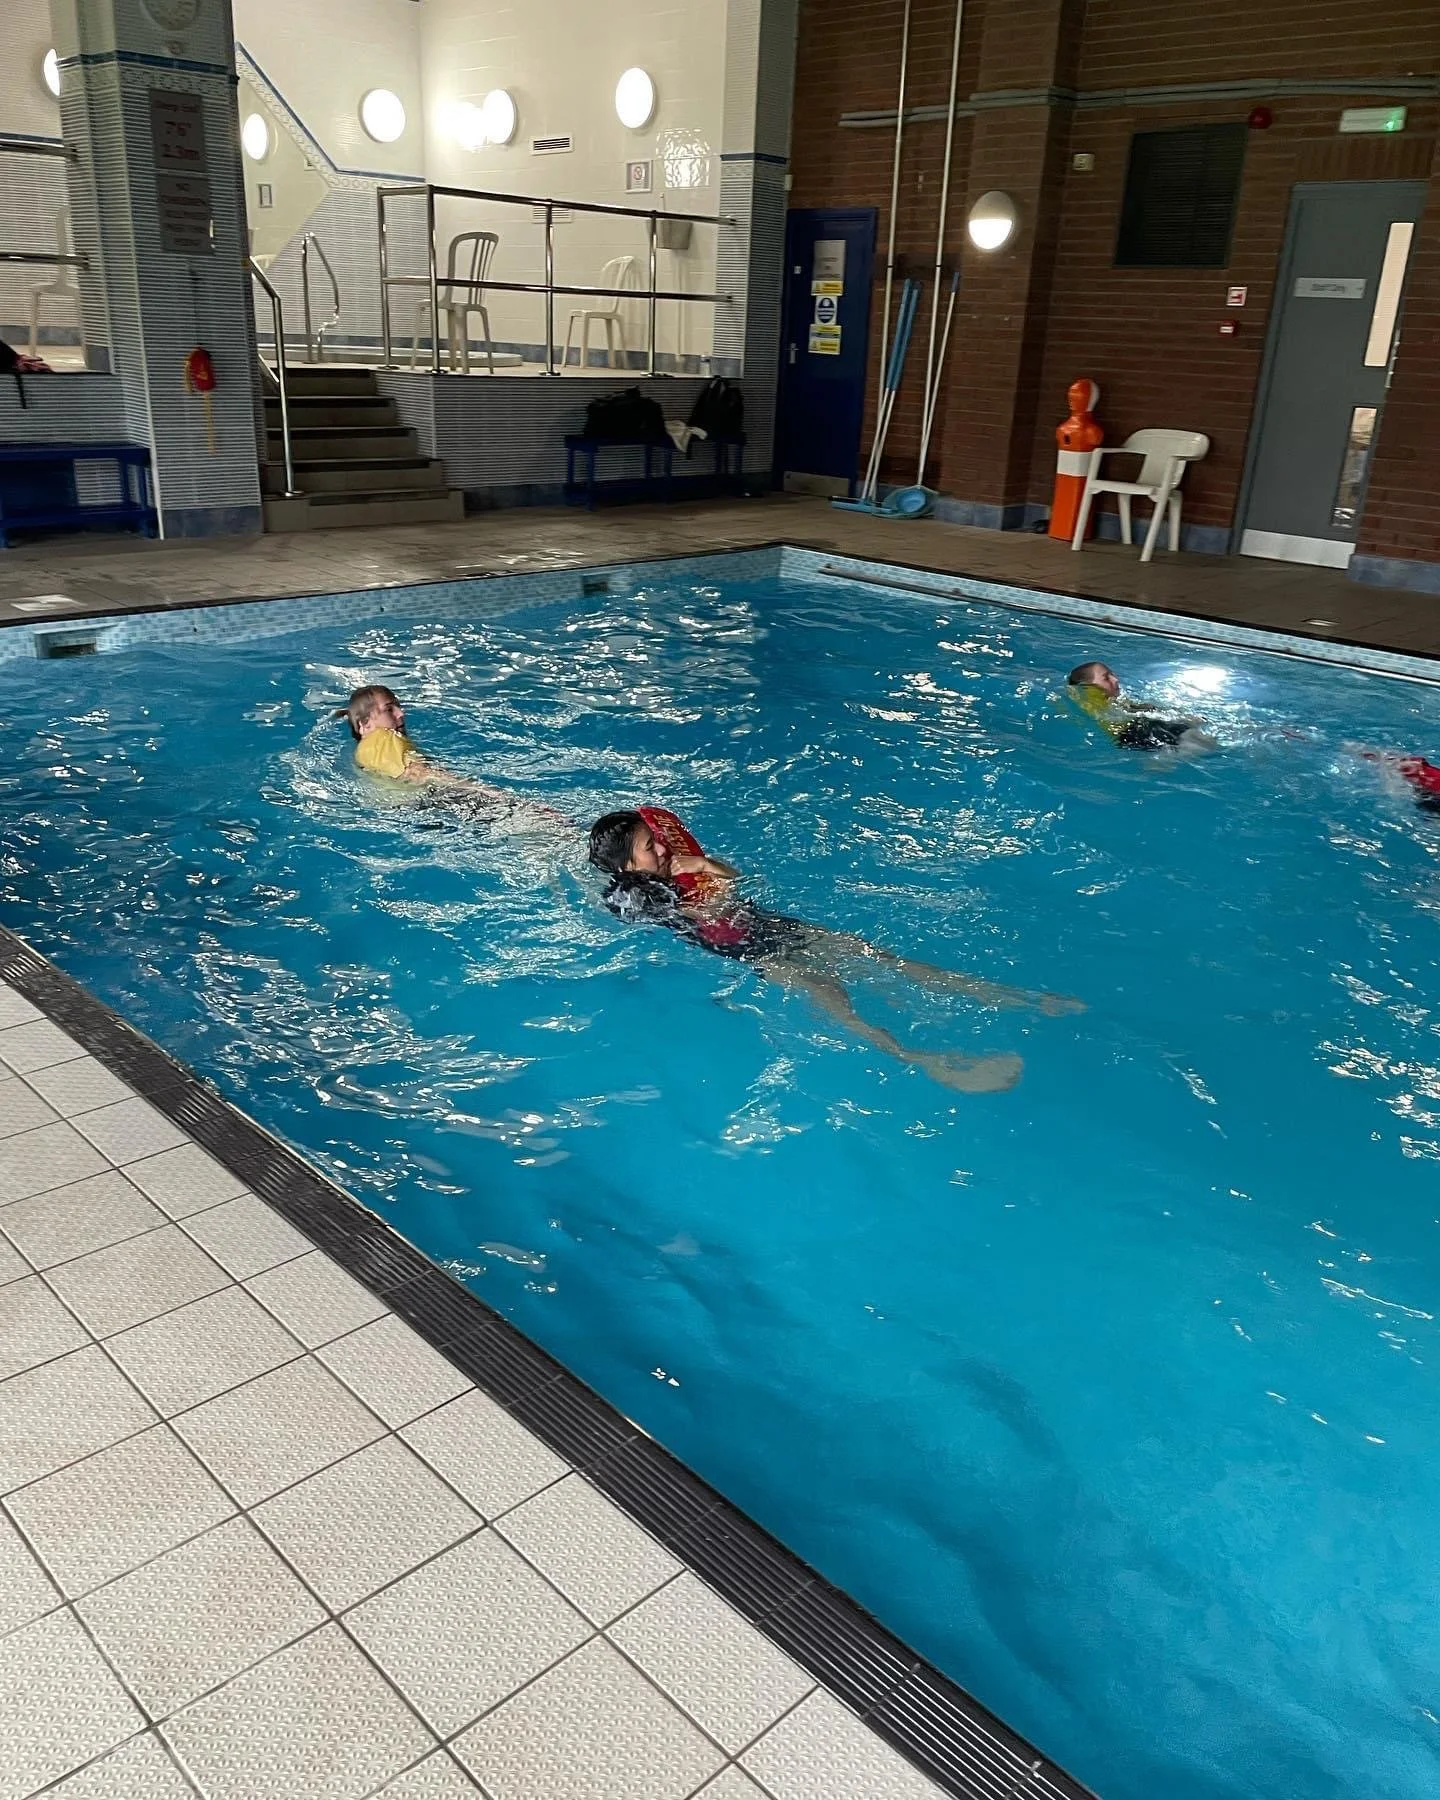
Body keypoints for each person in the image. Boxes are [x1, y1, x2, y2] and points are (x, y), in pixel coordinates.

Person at [587, 806, 1084, 1095]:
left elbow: (735, 882)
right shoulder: (635, 893)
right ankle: (921, 1058)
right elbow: (702, 918)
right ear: (629, 863)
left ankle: (1014, 997)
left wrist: (702, 866)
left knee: (879, 958)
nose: (662, 849)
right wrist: (702, 881)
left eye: (657, 840)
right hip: (757, 955)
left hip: (771, 926)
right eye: (650, 846)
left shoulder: (672, 868)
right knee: (834, 997)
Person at [337, 685, 566, 819]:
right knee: (545, 822)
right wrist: (503, 797)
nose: (401, 714)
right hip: (435, 803)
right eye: (390, 709)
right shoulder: (383, 738)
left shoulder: (365, 750)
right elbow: (421, 773)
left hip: (412, 814)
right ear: (365, 724)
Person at [1066, 660, 1214, 753]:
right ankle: (1161, 761)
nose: (1116, 679)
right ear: (1089, 685)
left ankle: (1165, 758)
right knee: (1199, 743)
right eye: (1106, 677)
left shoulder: (1108, 698)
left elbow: (1130, 708)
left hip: (1140, 727)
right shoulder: (1090, 693)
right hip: (1131, 732)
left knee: (1198, 736)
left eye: (1113, 674)